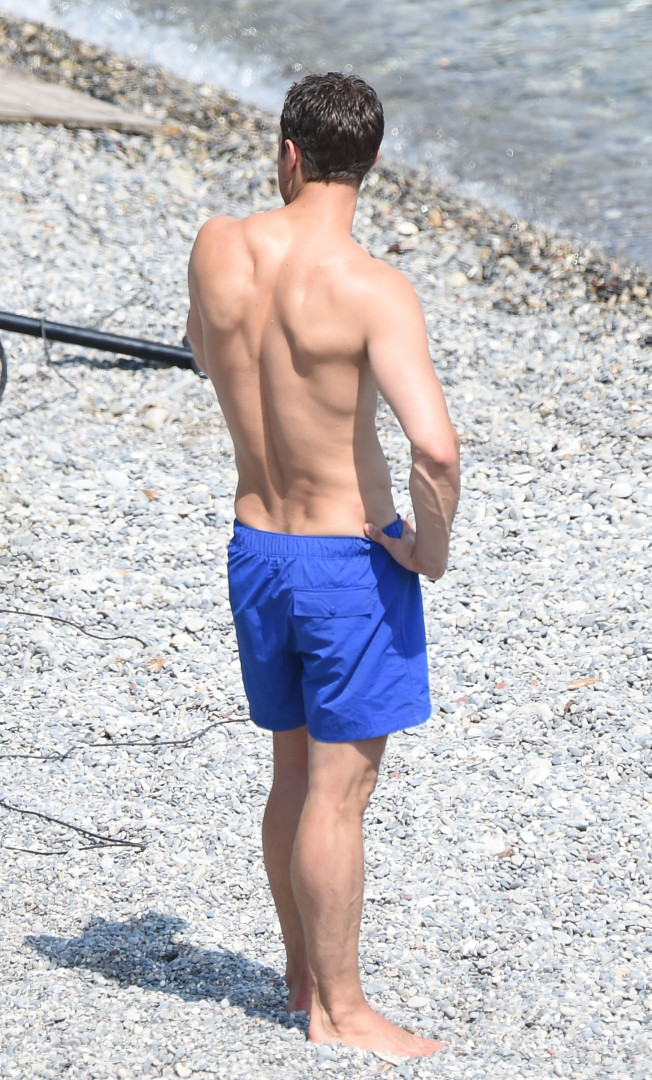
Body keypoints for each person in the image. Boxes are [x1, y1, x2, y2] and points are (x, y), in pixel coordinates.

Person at [186, 71, 460, 1061]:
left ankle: (303, 977)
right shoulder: (372, 289)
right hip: (346, 561)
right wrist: (426, 550)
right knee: (338, 795)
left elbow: (205, 352)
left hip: (256, 546)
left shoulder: (217, 247)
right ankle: (341, 1013)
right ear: (372, 163)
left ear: (289, 153)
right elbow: (435, 448)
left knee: (293, 772)